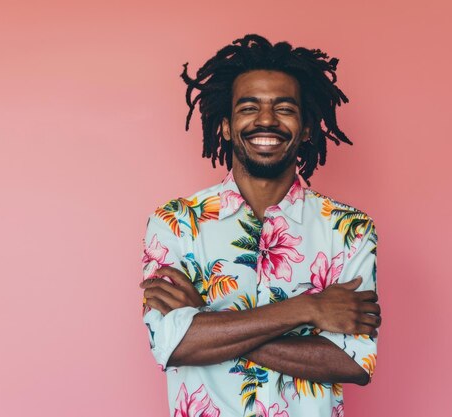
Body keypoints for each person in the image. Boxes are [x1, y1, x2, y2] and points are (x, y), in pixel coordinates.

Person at [139, 34, 381, 417]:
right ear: (225, 125)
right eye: (249, 107)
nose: (266, 120)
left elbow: (354, 362)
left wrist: (209, 323)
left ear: (305, 129)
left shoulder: (348, 229)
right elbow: (172, 345)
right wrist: (308, 309)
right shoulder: (175, 222)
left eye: (284, 108)